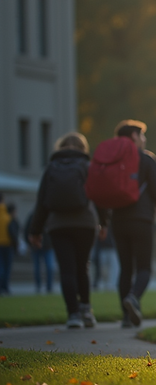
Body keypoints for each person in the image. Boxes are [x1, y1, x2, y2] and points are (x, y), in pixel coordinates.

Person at [29, 132, 106, 328]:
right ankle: (86, 310)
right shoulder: (87, 166)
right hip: (85, 223)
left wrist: (35, 230)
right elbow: (99, 196)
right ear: (83, 148)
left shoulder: (51, 168)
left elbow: (42, 203)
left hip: (58, 225)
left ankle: (73, 314)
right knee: (83, 267)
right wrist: (104, 223)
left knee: (67, 270)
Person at [108, 120, 156, 328]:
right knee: (144, 268)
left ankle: (125, 317)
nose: (144, 139)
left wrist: (103, 221)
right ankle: (134, 297)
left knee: (125, 269)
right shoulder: (147, 160)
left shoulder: (111, 160)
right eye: (142, 135)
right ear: (133, 138)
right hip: (142, 220)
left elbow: (103, 190)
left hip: (118, 221)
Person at [24, 208, 55, 293]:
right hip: (38, 246)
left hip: (47, 246)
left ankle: (48, 286)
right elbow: (27, 230)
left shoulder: (48, 216)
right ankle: (40, 286)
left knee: (48, 267)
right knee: (40, 267)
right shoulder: (34, 216)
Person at [0, 195, 14, 295]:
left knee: (1, 266)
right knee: (6, 267)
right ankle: (5, 286)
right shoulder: (8, 216)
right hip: (8, 244)